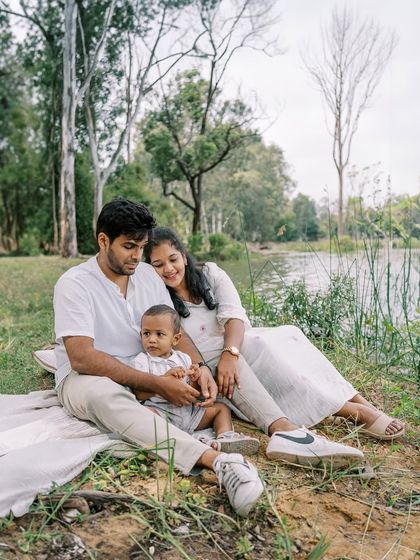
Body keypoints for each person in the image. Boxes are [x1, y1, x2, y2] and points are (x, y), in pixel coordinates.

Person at [54, 198, 263, 517]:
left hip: (150, 370)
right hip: (89, 378)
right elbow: (82, 358)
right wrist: (156, 385)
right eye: (129, 246)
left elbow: (172, 329)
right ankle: (220, 463)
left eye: (141, 246)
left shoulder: (148, 277)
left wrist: (198, 368)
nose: (138, 256)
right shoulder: (74, 284)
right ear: (103, 240)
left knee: (192, 392)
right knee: (104, 396)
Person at [144, 227, 405, 441]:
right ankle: (351, 412)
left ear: (184, 256)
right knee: (258, 350)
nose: (168, 269)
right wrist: (222, 359)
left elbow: (234, 316)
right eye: (158, 264)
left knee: (287, 335)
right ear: (149, 269)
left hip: (236, 342)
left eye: (173, 259)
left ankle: (359, 400)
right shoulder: (160, 301)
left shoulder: (210, 274)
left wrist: (230, 353)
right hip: (212, 360)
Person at [132, 304, 260, 455]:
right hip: (163, 413)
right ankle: (179, 441)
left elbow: (194, 392)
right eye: (146, 334)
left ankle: (225, 437)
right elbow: (139, 393)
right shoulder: (142, 361)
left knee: (221, 409)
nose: (151, 340)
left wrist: (194, 380)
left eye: (159, 334)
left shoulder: (184, 358)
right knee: (144, 414)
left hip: (190, 414)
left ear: (175, 339)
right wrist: (163, 380)